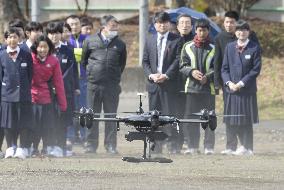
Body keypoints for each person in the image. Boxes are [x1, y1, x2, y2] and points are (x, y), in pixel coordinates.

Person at [213, 11, 260, 155]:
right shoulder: (229, 46)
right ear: (236, 32)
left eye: (244, 30)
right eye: (239, 30)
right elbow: (223, 67)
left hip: (246, 89)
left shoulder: (254, 47)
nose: (241, 33)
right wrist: (227, 83)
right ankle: (231, 147)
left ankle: (248, 148)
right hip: (230, 89)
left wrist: (240, 83)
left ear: (248, 32)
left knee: (245, 119)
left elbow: (255, 69)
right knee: (230, 118)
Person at [81, 15, 127, 154]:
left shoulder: (120, 44)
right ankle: (90, 144)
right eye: (112, 26)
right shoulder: (90, 41)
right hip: (93, 85)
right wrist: (92, 73)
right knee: (91, 116)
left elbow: (122, 64)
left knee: (111, 116)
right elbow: (84, 61)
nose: (115, 29)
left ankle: (111, 145)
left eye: (116, 26)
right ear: (103, 27)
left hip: (112, 86)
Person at [142, 11, 180, 154]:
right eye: (159, 22)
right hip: (153, 85)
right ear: (155, 25)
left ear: (169, 24)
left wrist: (166, 75)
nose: (162, 25)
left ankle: (172, 143)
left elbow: (177, 60)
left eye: (165, 22)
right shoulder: (149, 39)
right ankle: (155, 143)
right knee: (153, 116)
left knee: (169, 115)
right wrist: (151, 75)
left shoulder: (176, 39)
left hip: (168, 84)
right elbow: (145, 61)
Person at [180, 18, 216, 155]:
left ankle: (209, 147)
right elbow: (182, 66)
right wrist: (192, 72)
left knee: (210, 118)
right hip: (191, 89)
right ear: (195, 30)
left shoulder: (214, 48)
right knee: (191, 119)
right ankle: (192, 146)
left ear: (208, 31)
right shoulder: (187, 46)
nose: (202, 33)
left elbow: (217, 67)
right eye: (199, 30)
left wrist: (208, 76)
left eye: (204, 30)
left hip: (208, 89)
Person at [46, 21, 79, 157]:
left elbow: (72, 72)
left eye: (57, 33)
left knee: (63, 119)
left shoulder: (68, 51)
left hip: (63, 91)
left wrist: (75, 87)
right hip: (46, 91)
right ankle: (50, 145)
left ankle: (61, 145)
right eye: (51, 34)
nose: (54, 36)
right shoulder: (43, 49)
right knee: (49, 119)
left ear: (61, 34)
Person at [30, 35, 67, 156]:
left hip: (47, 97)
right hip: (32, 98)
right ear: (36, 47)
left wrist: (63, 104)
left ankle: (46, 147)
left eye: (45, 47)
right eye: (40, 47)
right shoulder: (30, 59)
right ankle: (33, 147)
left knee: (46, 125)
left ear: (49, 48)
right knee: (33, 125)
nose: (42, 50)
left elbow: (59, 83)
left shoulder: (54, 61)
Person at [0, 27, 33, 159]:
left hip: (23, 94)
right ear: (6, 39)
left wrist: (24, 88)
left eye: (15, 37)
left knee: (23, 122)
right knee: (8, 123)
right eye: (10, 37)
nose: (12, 39)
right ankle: (10, 147)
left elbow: (30, 75)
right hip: (7, 95)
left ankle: (22, 148)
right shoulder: (1, 55)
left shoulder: (26, 54)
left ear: (19, 39)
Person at [65, 15, 88, 145]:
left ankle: (85, 137)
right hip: (69, 81)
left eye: (76, 24)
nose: (74, 27)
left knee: (85, 109)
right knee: (70, 109)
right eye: (71, 24)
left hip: (85, 80)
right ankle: (70, 136)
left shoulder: (88, 40)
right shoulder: (65, 41)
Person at [174, 13, 194, 154]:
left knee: (189, 114)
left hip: (191, 84)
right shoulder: (173, 40)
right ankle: (176, 142)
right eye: (182, 23)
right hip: (174, 84)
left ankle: (189, 142)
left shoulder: (196, 41)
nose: (185, 25)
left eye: (187, 23)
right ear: (177, 26)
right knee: (176, 114)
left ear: (191, 25)